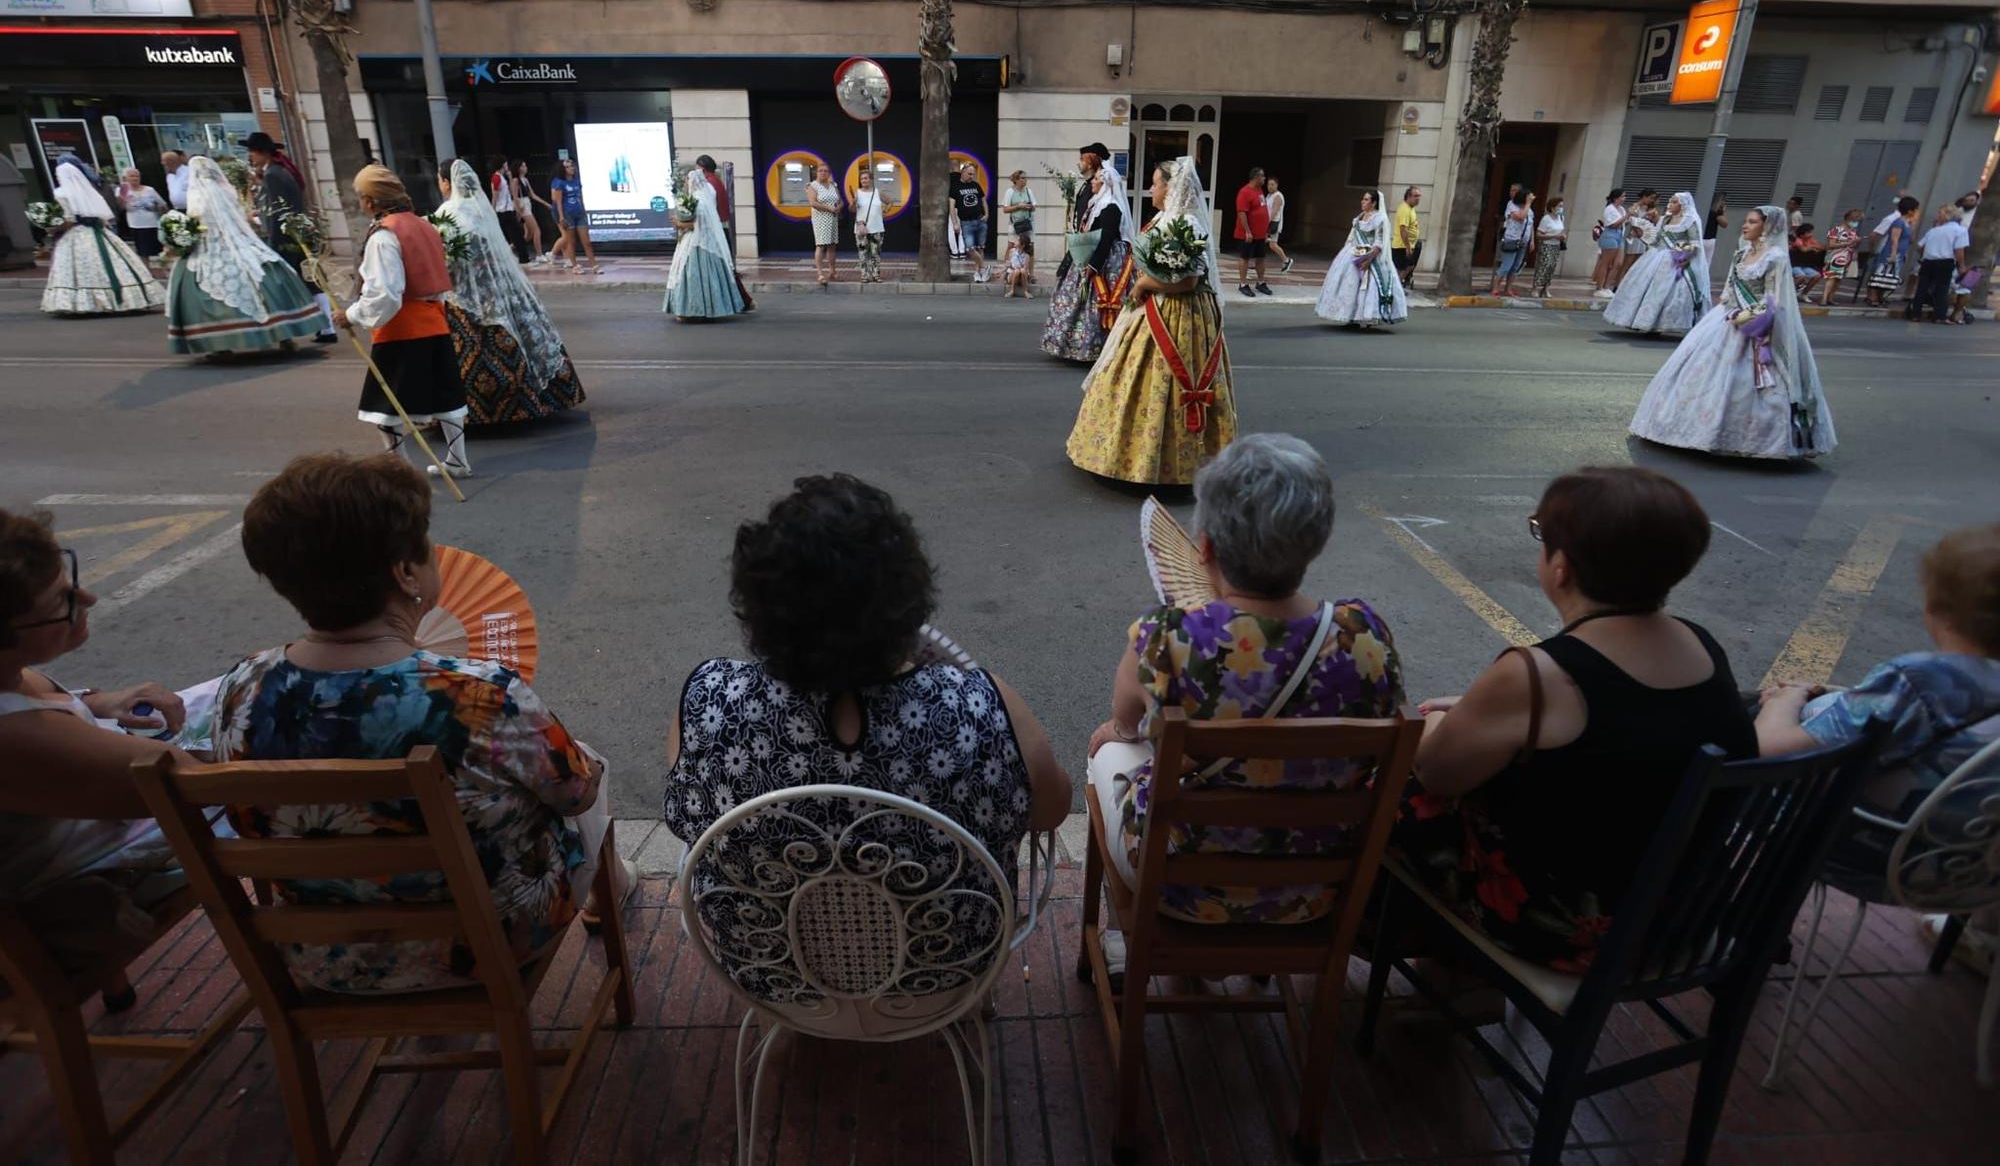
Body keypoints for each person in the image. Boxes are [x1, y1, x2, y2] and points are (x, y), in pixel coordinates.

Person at [211, 453, 625, 993]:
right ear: (406, 573)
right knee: (588, 765)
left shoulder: (243, 689)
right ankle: (615, 886)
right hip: (487, 945)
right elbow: (577, 797)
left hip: (325, 956)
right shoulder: (479, 694)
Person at [663, 473, 1070, 1001]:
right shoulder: (982, 705)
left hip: (773, 973)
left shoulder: (710, 703)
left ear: (762, 607)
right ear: (906, 599)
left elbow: (686, 814)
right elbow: (1052, 811)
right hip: (944, 972)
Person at [1397, 467, 1756, 969]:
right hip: (1686, 917)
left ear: (1560, 566)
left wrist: (1433, 724)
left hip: (1577, 935)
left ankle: (1454, 970)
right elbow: (1628, 727)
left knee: (1403, 800)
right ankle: (1458, 977)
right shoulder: (1702, 644)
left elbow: (1436, 771)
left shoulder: (1538, 675)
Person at [1085, 434, 1405, 925]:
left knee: (1109, 751)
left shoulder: (1169, 638)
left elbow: (1125, 722)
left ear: (1206, 547)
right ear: (1315, 541)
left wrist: (1120, 733)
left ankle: (1123, 926)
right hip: (1314, 888)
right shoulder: (1366, 637)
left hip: (1179, 884)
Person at [1755, 523, 2000, 917]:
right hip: (1979, 879)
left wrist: (1785, 699)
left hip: (1877, 862)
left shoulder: (1920, 680)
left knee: (1735, 749)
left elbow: (1767, 751)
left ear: (1934, 607)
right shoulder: (1934, 691)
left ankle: (1725, 926)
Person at [1, 508, 197, 979]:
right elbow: (189, 787)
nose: (88, 597)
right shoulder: (16, 739)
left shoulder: (10, 677)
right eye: (62, 602)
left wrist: (97, 702)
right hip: (69, 900)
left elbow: (33, 694)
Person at [1067, 155, 1235, 484]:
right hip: (1157, 308)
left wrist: (1144, 283)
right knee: (1128, 378)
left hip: (1178, 314)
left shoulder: (1186, 224)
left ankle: (1168, 464)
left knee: (1162, 383)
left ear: (1171, 188)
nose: (1150, 189)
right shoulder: (1166, 218)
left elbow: (1187, 281)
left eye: (1156, 183)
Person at [1629, 205, 1836, 460]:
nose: (1745, 226)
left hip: (1759, 323)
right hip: (1727, 320)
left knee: (1759, 385)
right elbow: (1728, 291)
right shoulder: (1740, 254)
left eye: (1752, 222)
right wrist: (1729, 312)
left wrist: (1753, 318)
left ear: (1767, 227)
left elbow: (1775, 299)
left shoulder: (1776, 258)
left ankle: (1757, 440)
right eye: (1746, 221)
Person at [335, 164, 470, 478]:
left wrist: (352, 315)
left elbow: (386, 293)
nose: (360, 203)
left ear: (371, 201)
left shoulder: (384, 235)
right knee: (445, 396)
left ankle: (400, 469)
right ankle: (458, 460)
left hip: (401, 328)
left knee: (385, 404)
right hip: (434, 321)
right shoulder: (424, 225)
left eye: (361, 197)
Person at [434, 160, 586, 424]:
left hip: (465, 294)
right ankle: (532, 401)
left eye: (439, 179)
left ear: (447, 183)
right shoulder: (483, 211)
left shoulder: (448, 213)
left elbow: (446, 257)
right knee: (520, 336)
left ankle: (481, 412)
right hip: (500, 290)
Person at [164, 156, 324, 355]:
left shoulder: (197, 193)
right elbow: (241, 216)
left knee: (208, 288)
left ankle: (220, 344)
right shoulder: (226, 190)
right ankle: (284, 336)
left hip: (210, 245)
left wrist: (182, 236)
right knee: (265, 283)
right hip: (241, 242)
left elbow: (197, 221)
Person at [1041, 143, 1134, 363]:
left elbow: (1106, 239)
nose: (1092, 182)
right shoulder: (1096, 202)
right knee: (1074, 301)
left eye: (1096, 180)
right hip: (1088, 254)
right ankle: (1073, 344)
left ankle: (1095, 347)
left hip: (1105, 263)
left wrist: (1093, 266)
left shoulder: (1111, 207)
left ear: (1105, 183)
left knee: (1092, 305)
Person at [41, 161, 165, 316]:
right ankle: (123, 298)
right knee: (115, 263)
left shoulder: (61, 193)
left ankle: (88, 302)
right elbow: (102, 218)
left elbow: (69, 219)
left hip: (76, 234)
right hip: (98, 232)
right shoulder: (88, 191)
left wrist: (52, 228)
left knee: (81, 267)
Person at [1604, 190, 1709, 335]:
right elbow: (1656, 240)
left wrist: (1681, 254)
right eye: (1670, 201)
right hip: (1656, 256)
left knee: (1664, 292)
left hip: (1675, 259)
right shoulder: (1665, 219)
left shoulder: (1689, 220)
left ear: (1683, 205)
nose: (1669, 204)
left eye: (1674, 202)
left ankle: (1656, 324)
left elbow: (1695, 243)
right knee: (1643, 287)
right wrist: (1641, 235)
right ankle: (1638, 320)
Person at [1315, 188, 1409, 330]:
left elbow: (1379, 242)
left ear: (1374, 203)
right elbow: (1352, 237)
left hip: (1372, 257)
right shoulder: (1360, 217)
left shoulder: (1380, 218)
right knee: (1349, 286)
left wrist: (1368, 260)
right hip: (1354, 254)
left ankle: (1368, 316)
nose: (1362, 202)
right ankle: (1352, 316)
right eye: (1363, 199)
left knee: (1369, 287)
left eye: (1366, 200)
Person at [664, 167, 746, 323]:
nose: (686, 183)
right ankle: (704, 309)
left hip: (697, 243)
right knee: (700, 276)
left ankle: (692, 310)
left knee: (690, 276)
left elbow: (695, 225)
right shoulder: (702, 199)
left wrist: (678, 222)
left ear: (693, 182)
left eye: (688, 180)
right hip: (701, 242)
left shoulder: (699, 202)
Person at [697, 154, 753, 309]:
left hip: (715, 230)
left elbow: (707, 210)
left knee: (723, 268)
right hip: (721, 227)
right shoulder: (717, 181)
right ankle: (741, 301)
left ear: (702, 168)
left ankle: (742, 301)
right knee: (726, 268)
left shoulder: (709, 184)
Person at [1909, 204, 1968, 324]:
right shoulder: (1960, 231)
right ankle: (1939, 316)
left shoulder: (1934, 230)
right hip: (1945, 262)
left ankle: (1915, 314)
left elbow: (1920, 247)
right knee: (1942, 289)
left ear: (1948, 215)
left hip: (1928, 261)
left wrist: (1927, 253)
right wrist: (1961, 265)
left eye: (1940, 213)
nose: (1938, 216)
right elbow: (1959, 250)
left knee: (1922, 288)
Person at [548, 158, 599, 274]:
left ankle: (594, 265)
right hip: (567, 213)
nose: (571, 168)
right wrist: (561, 217)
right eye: (568, 166)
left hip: (579, 213)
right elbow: (558, 201)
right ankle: (574, 265)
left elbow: (580, 197)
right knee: (571, 241)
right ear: (563, 169)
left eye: (572, 165)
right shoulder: (559, 182)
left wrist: (584, 210)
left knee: (587, 241)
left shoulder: (576, 181)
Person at [1866, 196, 1918, 307]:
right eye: (1915, 210)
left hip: (1901, 253)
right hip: (1891, 252)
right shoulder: (1898, 222)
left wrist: (1913, 226)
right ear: (1910, 211)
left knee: (1889, 276)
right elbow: (1894, 239)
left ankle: (1881, 297)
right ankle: (1873, 297)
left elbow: (1911, 240)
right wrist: (1893, 253)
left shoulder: (1907, 223)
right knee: (1881, 274)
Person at [1233, 165, 1272, 299]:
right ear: (1256, 177)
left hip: (1261, 234)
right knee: (1245, 258)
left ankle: (1260, 282)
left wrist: (1265, 232)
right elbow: (1242, 213)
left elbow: (1262, 211)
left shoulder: (1260, 191)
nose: (1264, 178)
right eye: (1262, 176)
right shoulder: (1245, 192)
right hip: (1248, 234)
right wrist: (1248, 232)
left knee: (1260, 258)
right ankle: (1243, 284)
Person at [116, 168, 168, 266]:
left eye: (137, 176)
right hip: (136, 224)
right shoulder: (122, 190)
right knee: (142, 251)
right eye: (131, 176)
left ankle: (165, 269)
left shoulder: (149, 190)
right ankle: (147, 272)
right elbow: (121, 207)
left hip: (153, 223)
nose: (135, 178)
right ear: (126, 178)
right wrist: (124, 191)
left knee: (161, 249)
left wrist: (156, 208)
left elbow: (163, 205)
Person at [950, 161, 990, 283]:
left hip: (980, 220)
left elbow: (983, 201)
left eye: (973, 174)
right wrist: (955, 223)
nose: (971, 176)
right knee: (970, 248)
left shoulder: (976, 185)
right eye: (969, 174)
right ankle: (984, 268)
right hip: (966, 222)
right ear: (962, 172)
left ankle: (978, 273)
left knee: (980, 248)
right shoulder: (955, 187)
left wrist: (987, 214)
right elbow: (951, 206)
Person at [1817, 208, 1863, 304]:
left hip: (1847, 257)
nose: (1856, 223)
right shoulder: (1836, 230)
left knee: (1838, 279)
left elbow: (1854, 245)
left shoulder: (1853, 231)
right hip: (1835, 256)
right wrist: (1848, 243)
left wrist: (1857, 242)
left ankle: (1830, 298)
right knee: (1832, 277)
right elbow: (1831, 245)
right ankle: (1824, 298)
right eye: (1856, 220)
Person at [807, 162, 842, 288]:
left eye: (826, 171)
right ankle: (820, 273)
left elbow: (840, 200)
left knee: (832, 245)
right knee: (821, 245)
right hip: (820, 219)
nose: (823, 173)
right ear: (817, 172)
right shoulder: (813, 186)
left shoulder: (833, 185)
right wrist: (829, 208)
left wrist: (839, 207)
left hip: (833, 218)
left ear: (829, 173)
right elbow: (813, 203)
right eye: (821, 170)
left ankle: (832, 271)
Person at [511, 160, 551, 265]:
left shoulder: (525, 180)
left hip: (528, 204)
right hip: (523, 206)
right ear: (519, 168)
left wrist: (546, 204)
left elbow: (532, 195)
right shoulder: (515, 180)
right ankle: (539, 254)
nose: (525, 167)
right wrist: (518, 211)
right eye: (523, 166)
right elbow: (514, 197)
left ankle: (511, 247)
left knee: (527, 235)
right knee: (536, 230)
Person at [1591, 189, 1630, 297]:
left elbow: (1623, 223)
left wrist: (1628, 219)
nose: (1624, 198)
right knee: (1606, 262)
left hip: (1619, 235)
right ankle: (1599, 288)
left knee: (1618, 263)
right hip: (1610, 235)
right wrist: (1626, 216)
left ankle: (1606, 287)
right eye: (1622, 196)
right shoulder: (1609, 209)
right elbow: (1612, 224)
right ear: (1616, 198)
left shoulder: (1621, 209)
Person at [852, 165, 886, 284]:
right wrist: (853, 203)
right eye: (862, 179)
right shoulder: (857, 193)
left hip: (877, 227)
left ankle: (876, 274)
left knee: (876, 253)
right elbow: (852, 209)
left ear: (871, 179)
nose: (864, 181)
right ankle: (864, 275)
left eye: (866, 178)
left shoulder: (878, 192)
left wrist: (885, 210)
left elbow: (890, 202)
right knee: (863, 253)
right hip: (861, 228)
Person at [489, 158, 528, 263]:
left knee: (516, 233)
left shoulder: (502, 177)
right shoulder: (496, 178)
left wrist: (510, 178)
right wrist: (492, 209)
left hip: (508, 209)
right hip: (502, 210)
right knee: (512, 233)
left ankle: (523, 257)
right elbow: (495, 195)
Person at [1002, 168, 1037, 282]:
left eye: (1026, 178)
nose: (1025, 180)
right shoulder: (1010, 192)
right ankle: (1007, 270)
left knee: (1030, 248)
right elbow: (1005, 209)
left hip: (1027, 224)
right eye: (1022, 178)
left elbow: (1034, 206)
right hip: (1015, 224)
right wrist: (1019, 206)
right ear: (1016, 180)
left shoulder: (1028, 191)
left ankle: (1031, 274)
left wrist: (1030, 206)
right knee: (1011, 246)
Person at [1620, 189, 1660, 283]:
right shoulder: (1635, 207)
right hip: (1634, 237)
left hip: (1643, 238)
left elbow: (1656, 224)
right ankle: (1618, 284)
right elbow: (1632, 221)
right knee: (1627, 263)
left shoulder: (1650, 209)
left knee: (1637, 264)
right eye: (1651, 198)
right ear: (1644, 197)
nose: (1652, 200)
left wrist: (1653, 217)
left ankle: (1629, 284)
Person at [1532, 195, 1567, 297]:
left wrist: (1562, 236)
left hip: (1556, 246)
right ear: (1552, 207)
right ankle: (1535, 287)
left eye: (1562, 206)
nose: (1561, 208)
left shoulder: (1561, 218)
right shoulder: (1546, 219)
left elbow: (1561, 230)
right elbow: (1539, 234)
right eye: (1559, 206)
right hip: (1546, 245)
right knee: (1544, 265)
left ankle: (1546, 287)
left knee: (1552, 267)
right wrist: (1553, 236)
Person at [1392, 185, 1424, 285]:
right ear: (1408, 197)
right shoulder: (1404, 209)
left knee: (1409, 266)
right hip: (1402, 246)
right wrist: (1408, 247)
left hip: (1409, 245)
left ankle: (1397, 285)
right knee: (1404, 267)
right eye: (1415, 196)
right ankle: (1395, 287)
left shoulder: (1411, 208)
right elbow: (1403, 229)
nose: (1418, 199)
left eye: (1419, 196)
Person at [1264, 174, 1294, 274]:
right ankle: (1286, 260)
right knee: (1271, 244)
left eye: (1272, 184)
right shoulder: (1268, 195)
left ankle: (1287, 260)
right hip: (1268, 222)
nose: (1270, 186)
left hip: (1274, 223)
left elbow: (1274, 211)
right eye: (1268, 184)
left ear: (1277, 185)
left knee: (1272, 244)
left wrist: (1267, 223)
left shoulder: (1278, 196)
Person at [1002, 230, 1033, 297]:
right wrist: (1011, 267)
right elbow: (1007, 263)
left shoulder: (1026, 256)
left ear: (1023, 245)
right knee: (1017, 271)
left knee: (1022, 270)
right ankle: (1012, 291)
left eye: (1018, 241)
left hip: (1021, 277)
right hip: (1012, 275)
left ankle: (1025, 291)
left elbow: (1025, 268)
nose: (1016, 242)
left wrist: (1021, 269)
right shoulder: (1012, 251)